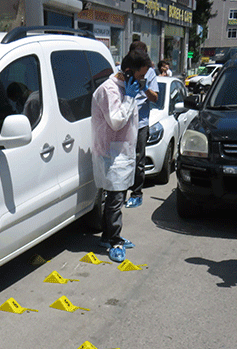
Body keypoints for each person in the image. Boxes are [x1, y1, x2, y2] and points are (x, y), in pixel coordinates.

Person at [91, 50, 149, 262]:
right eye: (141, 76)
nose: (142, 80)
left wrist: (130, 96)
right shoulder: (110, 90)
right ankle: (114, 241)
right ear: (128, 71)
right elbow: (116, 121)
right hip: (111, 154)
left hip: (121, 152)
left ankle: (109, 236)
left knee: (116, 198)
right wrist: (129, 98)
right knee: (115, 200)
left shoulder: (123, 88)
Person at [125, 41, 158, 209]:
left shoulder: (149, 72)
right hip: (123, 122)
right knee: (123, 158)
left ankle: (137, 193)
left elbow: (155, 98)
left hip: (140, 124)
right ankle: (120, 191)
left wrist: (144, 87)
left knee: (138, 159)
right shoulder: (123, 71)